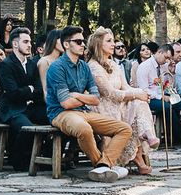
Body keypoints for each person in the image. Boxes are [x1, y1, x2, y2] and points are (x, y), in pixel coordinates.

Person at [46, 26, 133, 182]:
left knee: (124, 129)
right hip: (61, 114)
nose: (83, 45)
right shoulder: (56, 68)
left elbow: (95, 99)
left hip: (84, 112)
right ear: (66, 44)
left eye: (83, 41)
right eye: (78, 41)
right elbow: (65, 103)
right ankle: (102, 166)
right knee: (84, 129)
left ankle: (104, 164)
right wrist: (85, 97)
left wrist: (78, 95)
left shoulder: (85, 67)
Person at [85, 27, 155, 173]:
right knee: (136, 101)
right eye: (109, 41)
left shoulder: (113, 65)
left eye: (113, 41)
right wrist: (137, 95)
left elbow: (125, 87)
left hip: (117, 102)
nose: (114, 45)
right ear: (98, 44)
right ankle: (139, 153)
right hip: (102, 104)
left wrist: (142, 93)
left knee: (139, 101)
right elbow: (109, 93)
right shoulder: (94, 66)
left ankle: (145, 136)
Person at [0, 26, 48, 169]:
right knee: (27, 129)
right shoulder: (5, 65)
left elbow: (39, 90)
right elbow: (12, 93)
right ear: (15, 44)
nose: (29, 45)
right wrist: (29, 89)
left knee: (56, 119)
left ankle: (48, 159)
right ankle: (17, 161)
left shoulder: (33, 64)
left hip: (32, 106)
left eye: (30, 42)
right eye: (25, 42)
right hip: (12, 108)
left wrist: (28, 91)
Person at [137, 44, 181, 142]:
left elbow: (169, 85)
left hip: (163, 95)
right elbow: (144, 89)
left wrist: (172, 72)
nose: (166, 61)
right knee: (167, 108)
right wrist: (161, 97)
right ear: (159, 52)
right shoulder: (144, 67)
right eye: (166, 57)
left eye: (168, 59)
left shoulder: (164, 66)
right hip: (149, 98)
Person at [37, 29, 65, 94]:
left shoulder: (63, 60)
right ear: (53, 40)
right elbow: (45, 89)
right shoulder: (44, 62)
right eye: (61, 39)